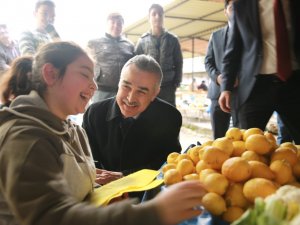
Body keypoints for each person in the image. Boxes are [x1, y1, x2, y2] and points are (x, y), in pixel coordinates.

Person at [0, 41, 206, 225]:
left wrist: (108, 197)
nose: (94, 85)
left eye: (94, 76)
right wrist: (154, 212)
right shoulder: (26, 138)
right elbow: (50, 217)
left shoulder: (72, 131)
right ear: (51, 74)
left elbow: (83, 188)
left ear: (155, 94)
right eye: (84, 74)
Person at [82, 55, 182, 184]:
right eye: (126, 86)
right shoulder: (95, 113)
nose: (130, 98)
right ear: (119, 83)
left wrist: (125, 177)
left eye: (141, 91)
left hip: (146, 191)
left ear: (155, 94)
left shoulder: (169, 117)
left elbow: (167, 162)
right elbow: (86, 159)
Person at [218, 0, 300, 144]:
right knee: (247, 146)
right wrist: (226, 87)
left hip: (294, 84)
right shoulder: (241, 6)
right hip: (256, 87)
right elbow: (233, 51)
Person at [135, 4, 183, 106]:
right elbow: (136, 64)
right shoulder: (142, 41)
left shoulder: (173, 39)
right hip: (148, 86)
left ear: (163, 17)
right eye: (154, 14)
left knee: (168, 115)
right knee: (148, 114)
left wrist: (176, 82)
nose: (157, 17)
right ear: (149, 18)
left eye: (160, 14)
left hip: (168, 86)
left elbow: (179, 61)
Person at [204, 0, 238, 139]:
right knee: (218, 138)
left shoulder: (250, 35)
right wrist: (217, 77)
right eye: (231, 8)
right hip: (217, 94)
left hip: (242, 93)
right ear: (225, 12)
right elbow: (208, 61)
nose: (235, 11)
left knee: (242, 139)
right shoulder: (216, 35)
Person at [87, 12, 135, 103]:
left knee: (122, 115)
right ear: (107, 24)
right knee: (98, 115)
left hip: (123, 90)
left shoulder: (130, 45)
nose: (116, 26)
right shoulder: (93, 43)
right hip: (100, 91)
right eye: (113, 22)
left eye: (119, 23)